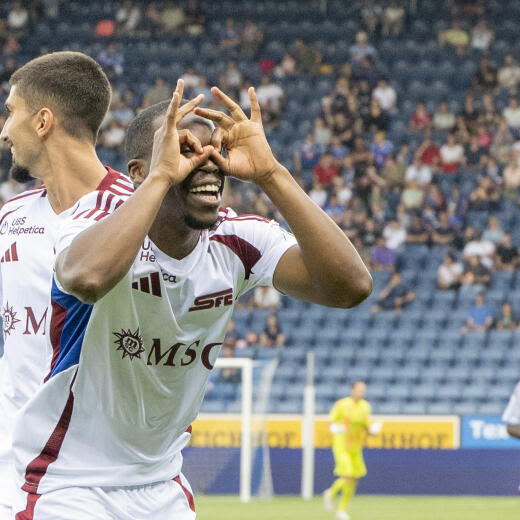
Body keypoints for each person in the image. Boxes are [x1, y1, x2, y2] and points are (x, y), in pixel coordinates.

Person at [12, 81, 372, 517]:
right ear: (140, 171)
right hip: (69, 484)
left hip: (163, 486)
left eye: (216, 149)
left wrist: (270, 173)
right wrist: (164, 175)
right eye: (187, 149)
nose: (208, 161)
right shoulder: (96, 216)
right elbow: (86, 278)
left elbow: (350, 287)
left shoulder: (236, 239)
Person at [0, 51, 129, 519]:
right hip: (10, 468)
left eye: (10, 112)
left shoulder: (136, 217)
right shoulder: (9, 219)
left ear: (43, 121)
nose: (3, 130)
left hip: (94, 479)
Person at [322, 381, 381, 520]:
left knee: (354, 479)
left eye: (364, 390)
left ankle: (339, 506)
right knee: (347, 475)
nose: (362, 392)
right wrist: (335, 428)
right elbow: (331, 421)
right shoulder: (342, 404)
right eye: (360, 390)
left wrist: (373, 430)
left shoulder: (366, 407)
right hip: (342, 445)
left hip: (356, 447)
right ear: (352, 390)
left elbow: (366, 427)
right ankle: (333, 498)